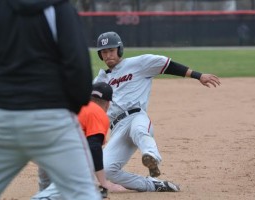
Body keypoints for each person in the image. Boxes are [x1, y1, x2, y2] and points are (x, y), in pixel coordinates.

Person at [0, 0, 101, 199]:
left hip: (4, 120)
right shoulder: (58, 8)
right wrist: (70, 106)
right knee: (83, 193)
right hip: (54, 119)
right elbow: (78, 65)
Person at [93, 31, 221, 192]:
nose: (108, 55)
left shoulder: (138, 63)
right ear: (100, 55)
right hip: (117, 129)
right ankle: (153, 184)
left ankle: (151, 157)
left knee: (139, 130)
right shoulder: (99, 81)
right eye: (104, 52)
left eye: (111, 50)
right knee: (106, 170)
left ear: (119, 50)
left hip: (135, 116)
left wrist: (198, 75)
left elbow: (167, 65)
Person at [33, 82, 126, 199]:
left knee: (47, 187)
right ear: (107, 104)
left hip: (36, 143)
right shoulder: (98, 113)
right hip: (57, 150)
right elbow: (94, 147)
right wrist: (104, 182)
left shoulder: (76, 105)